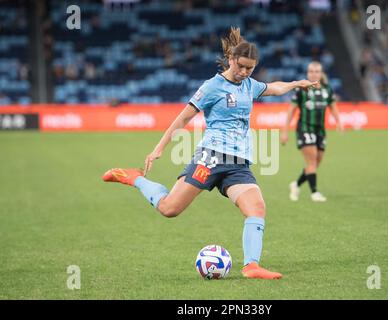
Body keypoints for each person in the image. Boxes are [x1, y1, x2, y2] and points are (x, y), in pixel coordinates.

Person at [102, 27, 319, 279]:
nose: (245, 72)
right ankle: (134, 178)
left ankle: (251, 266)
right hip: (211, 157)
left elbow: (274, 87)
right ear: (231, 60)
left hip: (238, 164)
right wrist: (158, 149)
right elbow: (182, 119)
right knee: (170, 208)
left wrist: (295, 84)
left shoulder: (250, 85)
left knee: (256, 207)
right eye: (241, 66)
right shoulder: (212, 87)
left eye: (250, 68)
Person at [281, 61, 343, 202]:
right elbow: (291, 110)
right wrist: (284, 131)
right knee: (312, 161)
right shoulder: (302, 89)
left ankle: (296, 184)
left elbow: (333, 106)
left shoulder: (327, 89)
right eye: (311, 71)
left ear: (321, 74)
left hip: (320, 130)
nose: (314, 74)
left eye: (316, 71)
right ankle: (314, 192)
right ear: (308, 73)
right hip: (304, 128)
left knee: (315, 163)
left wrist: (339, 122)